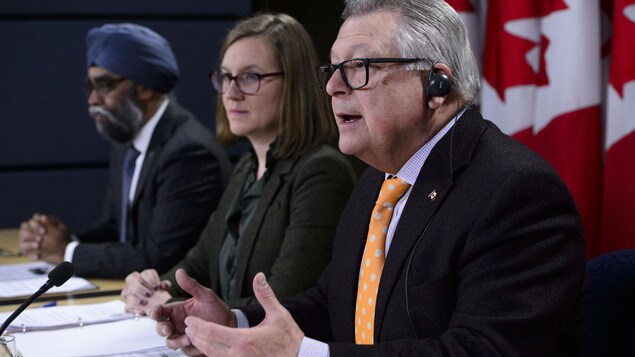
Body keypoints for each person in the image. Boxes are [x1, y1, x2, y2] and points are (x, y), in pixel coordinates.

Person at [150, 0, 587, 356]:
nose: (333, 88)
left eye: (359, 68)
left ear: (436, 86)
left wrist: (304, 355)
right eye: (333, 70)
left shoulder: (515, 191)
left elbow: (480, 350)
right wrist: (237, 322)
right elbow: (333, 302)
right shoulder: (378, 182)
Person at [120, 13, 357, 314]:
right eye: (225, 77)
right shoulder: (246, 168)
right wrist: (155, 286)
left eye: (250, 77)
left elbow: (284, 302)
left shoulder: (321, 172)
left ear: (294, 83)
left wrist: (172, 304)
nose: (231, 93)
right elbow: (198, 266)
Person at [18, 23, 231, 278]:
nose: (92, 99)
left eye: (104, 85)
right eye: (90, 87)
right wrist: (60, 239)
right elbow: (115, 229)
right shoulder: (127, 141)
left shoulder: (189, 153)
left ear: (144, 87)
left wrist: (66, 252)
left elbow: (157, 258)